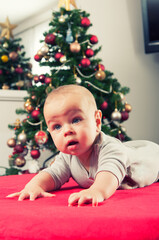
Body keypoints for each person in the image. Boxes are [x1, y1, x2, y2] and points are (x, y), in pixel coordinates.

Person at [7, 85, 159, 206]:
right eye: (57, 127)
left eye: (76, 120)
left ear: (97, 121)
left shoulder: (110, 149)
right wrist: (34, 186)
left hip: (151, 157)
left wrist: (97, 191)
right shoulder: (68, 156)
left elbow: (108, 175)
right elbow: (52, 174)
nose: (67, 131)